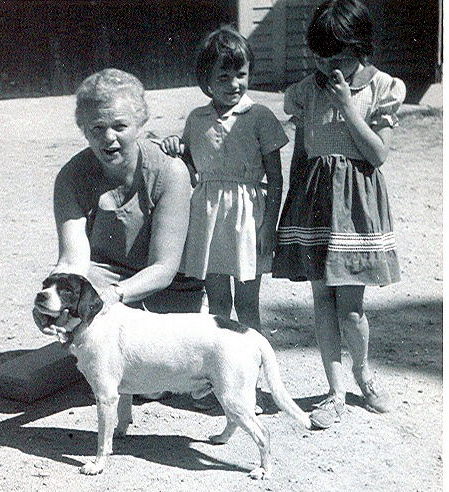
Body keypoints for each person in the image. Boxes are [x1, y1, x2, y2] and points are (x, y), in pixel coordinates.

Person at [272, 0, 406, 429]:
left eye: (338, 57)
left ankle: (362, 375)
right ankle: (334, 392)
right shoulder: (305, 90)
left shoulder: (383, 87)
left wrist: (349, 108)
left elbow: (378, 154)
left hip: (356, 206)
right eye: (319, 55)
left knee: (350, 309)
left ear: (361, 49)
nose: (327, 65)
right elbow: (302, 148)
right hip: (315, 202)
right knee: (321, 301)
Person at [33, 69, 204, 389]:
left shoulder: (170, 172)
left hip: (168, 286)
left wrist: (111, 297)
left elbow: (164, 268)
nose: (108, 137)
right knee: (100, 356)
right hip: (108, 276)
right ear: (84, 130)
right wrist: (50, 299)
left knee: (150, 386)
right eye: (97, 127)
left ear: (139, 124)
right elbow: (72, 260)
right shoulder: (71, 177)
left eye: (120, 126)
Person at [161, 26, 288, 410]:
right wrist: (175, 148)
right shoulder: (196, 118)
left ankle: (254, 386)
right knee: (216, 307)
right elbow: (191, 168)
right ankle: (217, 384)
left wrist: (270, 226)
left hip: (249, 217)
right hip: (210, 218)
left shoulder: (260, 115)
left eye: (241, 74)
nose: (234, 84)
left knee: (247, 307)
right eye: (223, 76)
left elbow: (276, 178)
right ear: (206, 81)